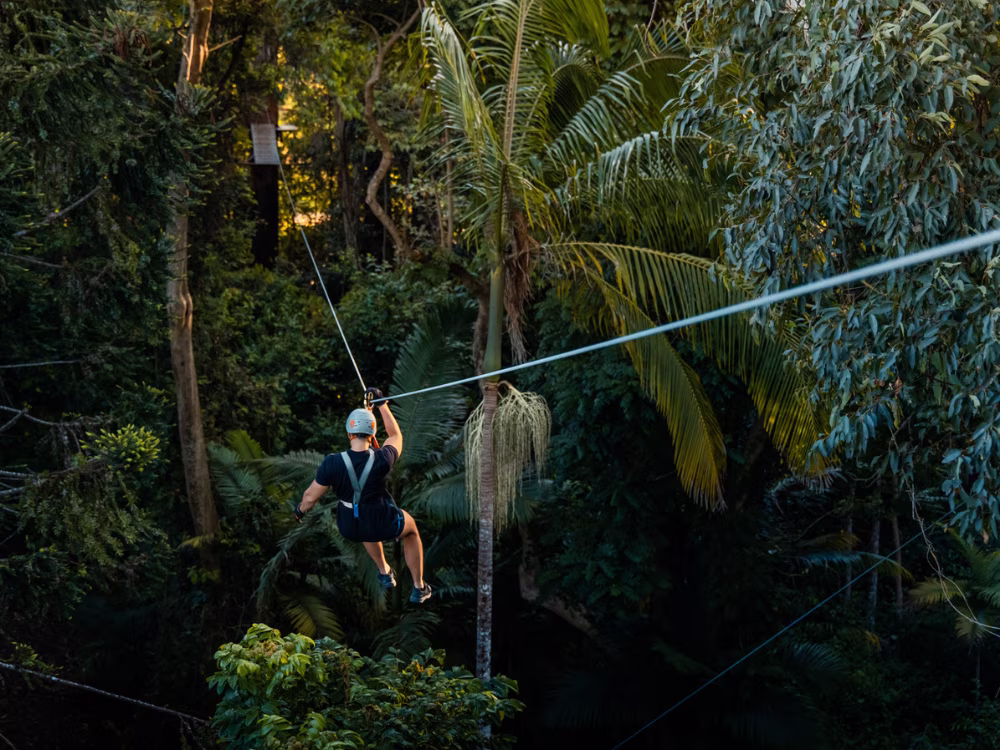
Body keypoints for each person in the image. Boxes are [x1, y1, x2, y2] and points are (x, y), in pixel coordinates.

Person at [296, 387, 432, 604]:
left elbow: (310, 498)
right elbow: (396, 436)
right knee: (411, 529)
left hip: (350, 526)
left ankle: (384, 571)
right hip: (381, 521)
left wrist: (299, 512)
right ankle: (419, 587)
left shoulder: (332, 462)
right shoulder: (382, 458)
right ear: (373, 435)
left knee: (364, 525)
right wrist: (382, 405)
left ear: (349, 433)